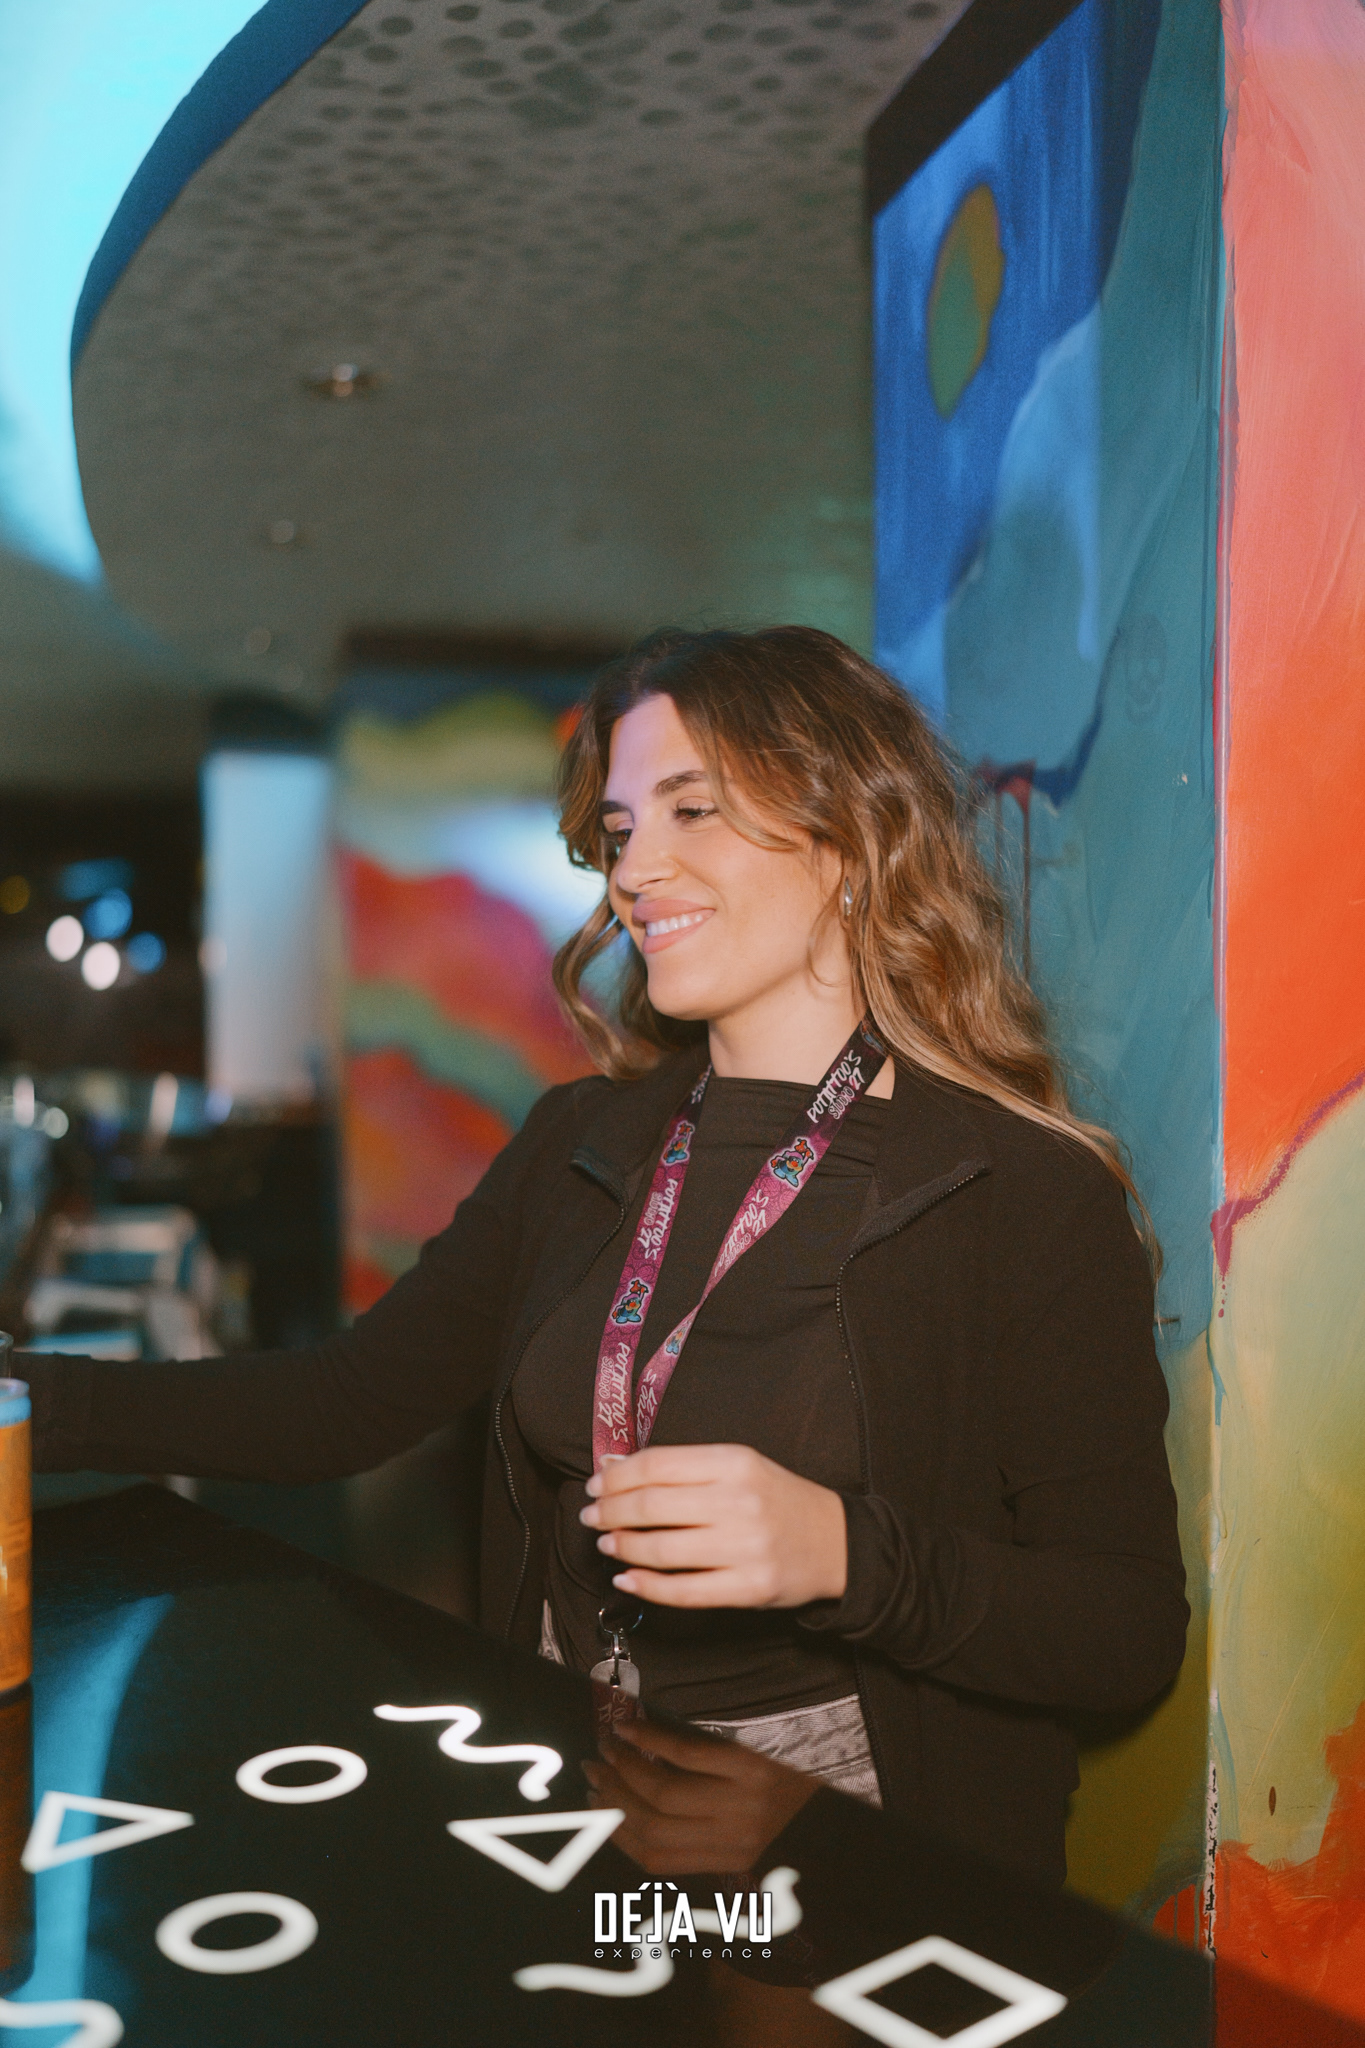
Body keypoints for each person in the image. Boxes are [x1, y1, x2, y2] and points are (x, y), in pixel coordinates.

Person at [25, 627, 1187, 1886]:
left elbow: (1123, 1631)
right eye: (621, 829)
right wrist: (25, 1399)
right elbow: (342, 1400)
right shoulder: (582, 1142)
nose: (637, 868)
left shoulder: (1016, 1190)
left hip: (844, 1850)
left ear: (852, 838)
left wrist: (846, 1554)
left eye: (694, 808)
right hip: (573, 1801)